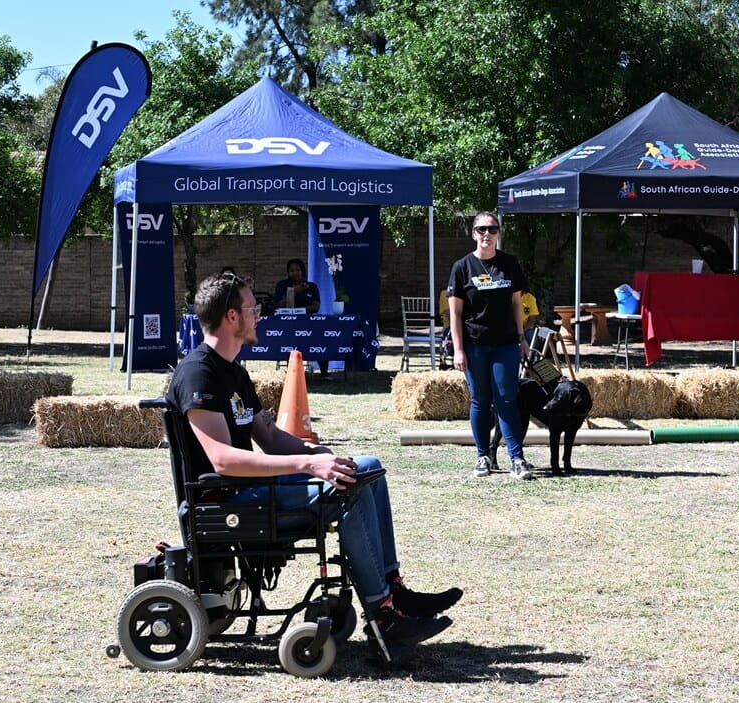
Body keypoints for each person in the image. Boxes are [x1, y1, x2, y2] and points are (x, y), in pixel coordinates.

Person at [170, 272, 462, 645]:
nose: (259, 315)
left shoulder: (233, 372)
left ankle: (394, 590)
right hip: (225, 498)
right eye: (252, 309)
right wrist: (309, 466)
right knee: (347, 486)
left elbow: (271, 437)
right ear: (231, 317)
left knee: (365, 466)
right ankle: (384, 617)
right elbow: (224, 461)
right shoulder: (199, 374)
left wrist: (318, 453)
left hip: (248, 490)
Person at [447, 212, 534, 480]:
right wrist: (458, 350)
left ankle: (517, 459)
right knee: (480, 401)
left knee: (507, 399)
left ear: (498, 233)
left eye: (492, 229)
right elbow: (456, 314)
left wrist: (522, 340)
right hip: (474, 346)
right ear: (473, 233)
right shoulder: (462, 267)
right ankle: (482, 457)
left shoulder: (509, 264)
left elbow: (517, 304)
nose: (487, 234)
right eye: (482, 229)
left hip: (505, 345)